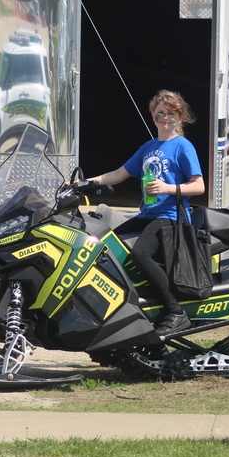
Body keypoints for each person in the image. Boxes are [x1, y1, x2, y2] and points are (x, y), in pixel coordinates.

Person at [85, 90, 205, 337]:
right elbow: (118, 174)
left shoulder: (183, 146)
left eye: (171, 114)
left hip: (171, 216)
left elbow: (199, 185)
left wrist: (168, 188)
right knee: (104, 244)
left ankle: (175, 312)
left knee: (141, 253)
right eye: (160, 113)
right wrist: (84, 183)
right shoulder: (148, 147)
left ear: (179, 117)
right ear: (152, 115)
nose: (165, 118)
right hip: (148, 214)